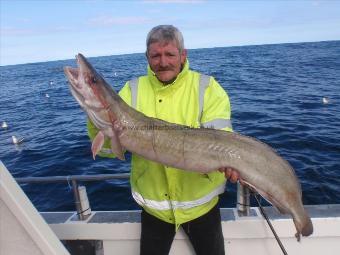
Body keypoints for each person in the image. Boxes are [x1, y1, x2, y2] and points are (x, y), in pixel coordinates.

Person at [87, 25, 239, 255]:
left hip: (202, 208)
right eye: (156, 55)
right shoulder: (131, 90)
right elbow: (110, 150)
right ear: (147, 57)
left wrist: (232, 163)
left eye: (170, 54)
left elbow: (223, 139)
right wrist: (95, 117)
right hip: (154, 210)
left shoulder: (208, 88)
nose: (163, 62)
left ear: (183, 55)